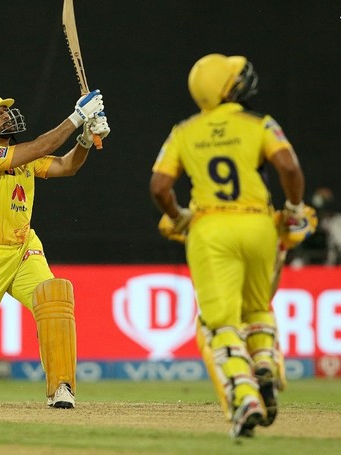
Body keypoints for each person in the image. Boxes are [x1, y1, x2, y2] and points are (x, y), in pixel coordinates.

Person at [149, 54, 316, 438]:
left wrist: (177, 216)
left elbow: (159, 187)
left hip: (211, 228)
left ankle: (245, 396)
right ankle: (265, 364)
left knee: (219, 323)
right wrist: (293, 208)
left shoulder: (184, 131)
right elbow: (289, 168)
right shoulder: (260, 123)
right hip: (259, 224)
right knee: (258, 308)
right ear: (227, 88)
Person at [0, 90, 110, 408]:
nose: (5, 115)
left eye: (5, 110)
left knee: (54, 299)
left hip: (24, 248)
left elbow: (66, 166)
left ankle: (61, 387)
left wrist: (85, 141)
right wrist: (77, 118)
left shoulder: (24, 158)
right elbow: (41, 146)